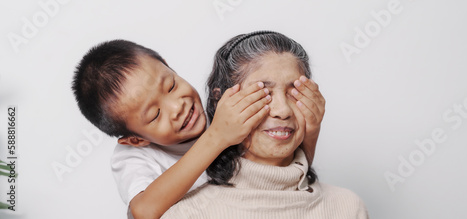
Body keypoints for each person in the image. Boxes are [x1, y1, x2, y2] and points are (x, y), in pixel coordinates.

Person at [71, 39, 321, 218]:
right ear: (135, 139)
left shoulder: (222, 114)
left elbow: (289, 172)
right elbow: (144, 212)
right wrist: (216, 137)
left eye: (170, 85)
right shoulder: (133, 157)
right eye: (155, 114)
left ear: (169, 66)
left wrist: (310, 130)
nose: (177, 107)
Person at [162, 31, 368, 218]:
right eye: (264, 94)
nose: (283, 110)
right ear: (221, 102)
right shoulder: (188, 214)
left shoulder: (347, 207)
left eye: (294, 92)